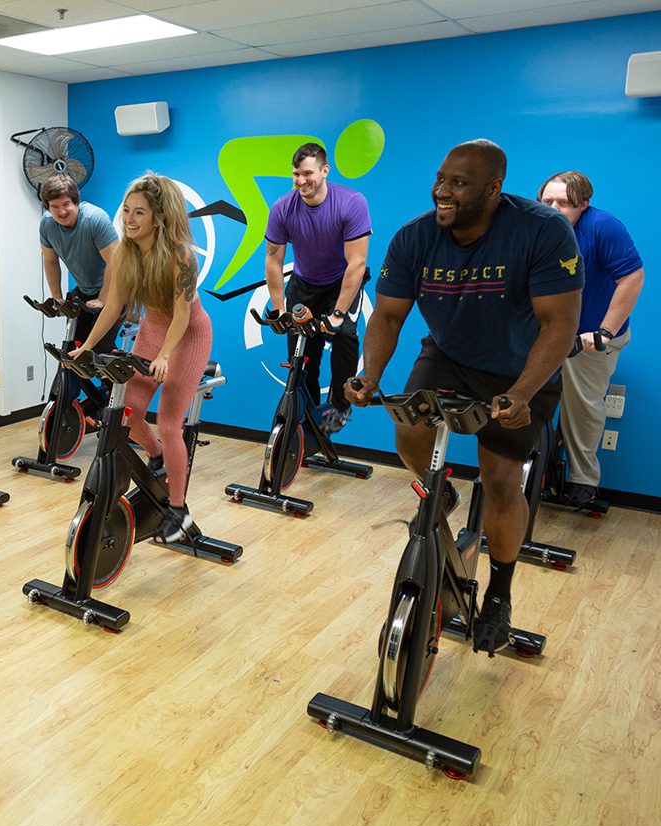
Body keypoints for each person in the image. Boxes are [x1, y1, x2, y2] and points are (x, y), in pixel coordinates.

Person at [348, 139, 584, 656]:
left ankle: (498, 595)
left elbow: (561, 323)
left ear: (494, 189)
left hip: (521, 369)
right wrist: (369, 376)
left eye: (458, 184)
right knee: (409, 424)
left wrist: (522, 392)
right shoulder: (415, 238)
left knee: (500, 481)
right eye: (441, 179)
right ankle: (441, 492)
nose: (442, 192)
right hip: (450, 355)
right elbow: (388, 316)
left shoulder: (542, 230)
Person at [70, 173, 212, 543]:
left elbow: (181, 316)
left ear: (158, 218)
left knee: (168, 422)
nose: (129, 220)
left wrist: (164, 356)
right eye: (127, 211)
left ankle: (179, 509)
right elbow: (113, 305)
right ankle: (160, 458)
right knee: (128, 414)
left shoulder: (181, 257)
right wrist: (86, 347)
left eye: (139, 213)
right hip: (153, 328)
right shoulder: (125, 254)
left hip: (188, 334)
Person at [537, 171, 643, 507]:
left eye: (564, 203)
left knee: (582, 405)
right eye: (548, 201)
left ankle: (583, 481)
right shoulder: (535, 227)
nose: (555, 209)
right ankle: (528, 466)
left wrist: (604, 332)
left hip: (593, 335)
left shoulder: (602, 227)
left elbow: (631, 278)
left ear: (584, 204)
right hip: (550, 330)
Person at [264, 142, 371, 434]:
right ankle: (308, 415)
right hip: (303, 284)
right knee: (300, 354)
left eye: (307, 173)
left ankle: (340, 405)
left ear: (325, 171)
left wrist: (337, 313)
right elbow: (273, 260)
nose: (301, 181)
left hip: (341, 282)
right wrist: (279, 308)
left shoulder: (351, 203)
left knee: (345, 336)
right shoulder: (283, 208)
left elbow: (357, 264)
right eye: (296, 174)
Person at [39, 175, 121, 407]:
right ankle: (68, 405)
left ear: (76, 202)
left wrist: (103, 299)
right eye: (54, 207)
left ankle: (117, 411)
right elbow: (50, 260)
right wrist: (56, 297)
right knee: (72, 352)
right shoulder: (47, 224)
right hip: (85, 292)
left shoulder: (95, 219)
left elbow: (115, 265)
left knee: (101, 350)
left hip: (117, 290)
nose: (61, 211)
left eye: (66, 204)